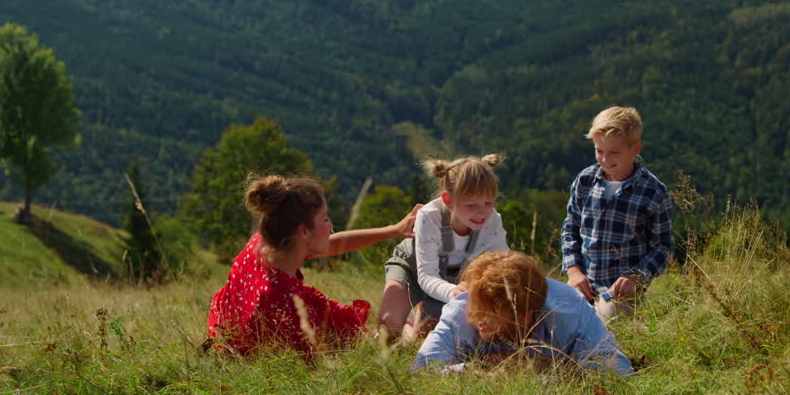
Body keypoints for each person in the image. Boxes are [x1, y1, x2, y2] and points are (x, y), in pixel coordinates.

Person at [207, 174, 418, 358]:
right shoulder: (285, 307)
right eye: (325, 219)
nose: (331, 226)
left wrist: (393, 230)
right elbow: (314, 363)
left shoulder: (264, 244)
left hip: (224, 335)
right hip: (254, 352)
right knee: (386, 339)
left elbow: (333, 244)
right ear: (303, 232)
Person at [411, 251, 632, 375]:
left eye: (488, 314)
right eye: (475, 307)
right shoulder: (458, 313)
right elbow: (420, 373)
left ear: (525, 315)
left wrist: (540, 368)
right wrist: (479, 369)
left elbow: (619, 370)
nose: (475, 319)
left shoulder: (570, 310)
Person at [378, 154, 509, 342]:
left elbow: (503, 262)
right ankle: (406, 316)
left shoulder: (493, 220)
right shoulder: (429, 216)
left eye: (488, 202)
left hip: (456, 274)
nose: (482, 212)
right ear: (448, 200)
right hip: (415, 265)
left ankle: (415, 323)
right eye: (471, 205)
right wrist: (451, 292)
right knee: (387, 328)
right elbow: (426, 274)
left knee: (424, 341)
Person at [561, 106, 673, 322]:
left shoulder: (652, 191)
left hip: (620, 290)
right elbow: (570, 228)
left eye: (614, 152)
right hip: (583, 281)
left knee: (609, 324)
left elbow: (664, 246)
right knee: (550, 320)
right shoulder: (585, 180)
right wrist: (574, 271)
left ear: (636, 148)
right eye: (599, 151)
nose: (605, 159)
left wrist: (636, 277)